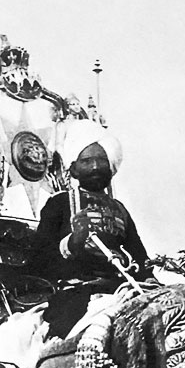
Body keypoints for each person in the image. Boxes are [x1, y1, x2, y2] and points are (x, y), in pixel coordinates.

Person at [27, 120, 149, 339]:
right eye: (87, 161)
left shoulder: (120, 210)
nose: (94, 167)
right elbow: (39, 262)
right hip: (75, 295)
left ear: (111, 168)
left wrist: (150, 280)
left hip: (120, 290)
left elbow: (140, 258)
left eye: (101, 161)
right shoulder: (59, 204)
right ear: (73, 168)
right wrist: (74, 241)